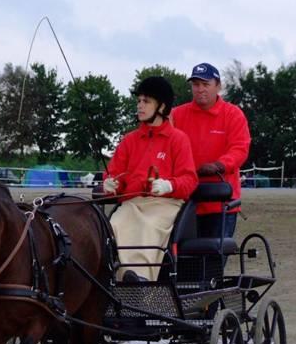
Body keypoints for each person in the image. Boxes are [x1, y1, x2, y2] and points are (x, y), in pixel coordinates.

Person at [103, 76, 198, 282]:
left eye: (146, 101)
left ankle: (140, 283)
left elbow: (190, 180)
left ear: (162, 106)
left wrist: (169, 185)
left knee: (147, 230)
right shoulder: (129, 141)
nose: (139, 106)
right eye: (138, 101)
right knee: (113, 226)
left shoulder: (178, 139)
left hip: (165, 205)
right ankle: (115, 282)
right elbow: (114, 173)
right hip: (131, 203)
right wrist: (110, 184)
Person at [170, 63, 251, 239]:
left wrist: (219, 165)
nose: (200, 89)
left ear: (218, 86)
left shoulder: (233, 114)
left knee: (214, 262)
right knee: (185, 262)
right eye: (196, 84)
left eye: (205, 84)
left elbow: (240, 149)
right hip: (185, 202)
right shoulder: (176, 115)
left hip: (221, 203)